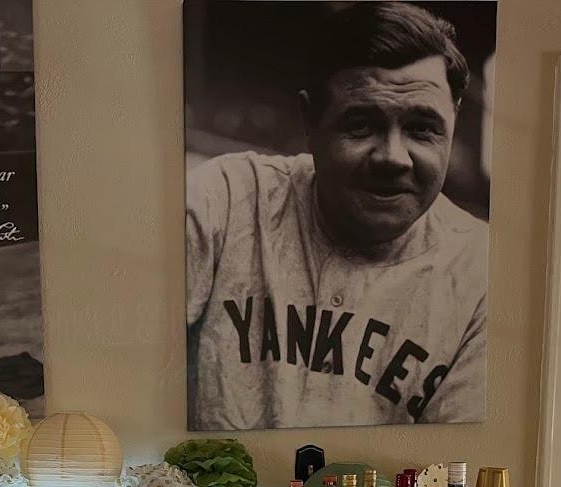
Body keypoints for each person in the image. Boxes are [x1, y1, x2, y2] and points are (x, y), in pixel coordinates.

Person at [186, 1, 488, 430]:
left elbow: (455, 472)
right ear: (311, 122)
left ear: (453, 124)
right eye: (361, 124)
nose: (393, 157)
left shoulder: (480, 275)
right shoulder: (229, 198)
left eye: (422, 128)